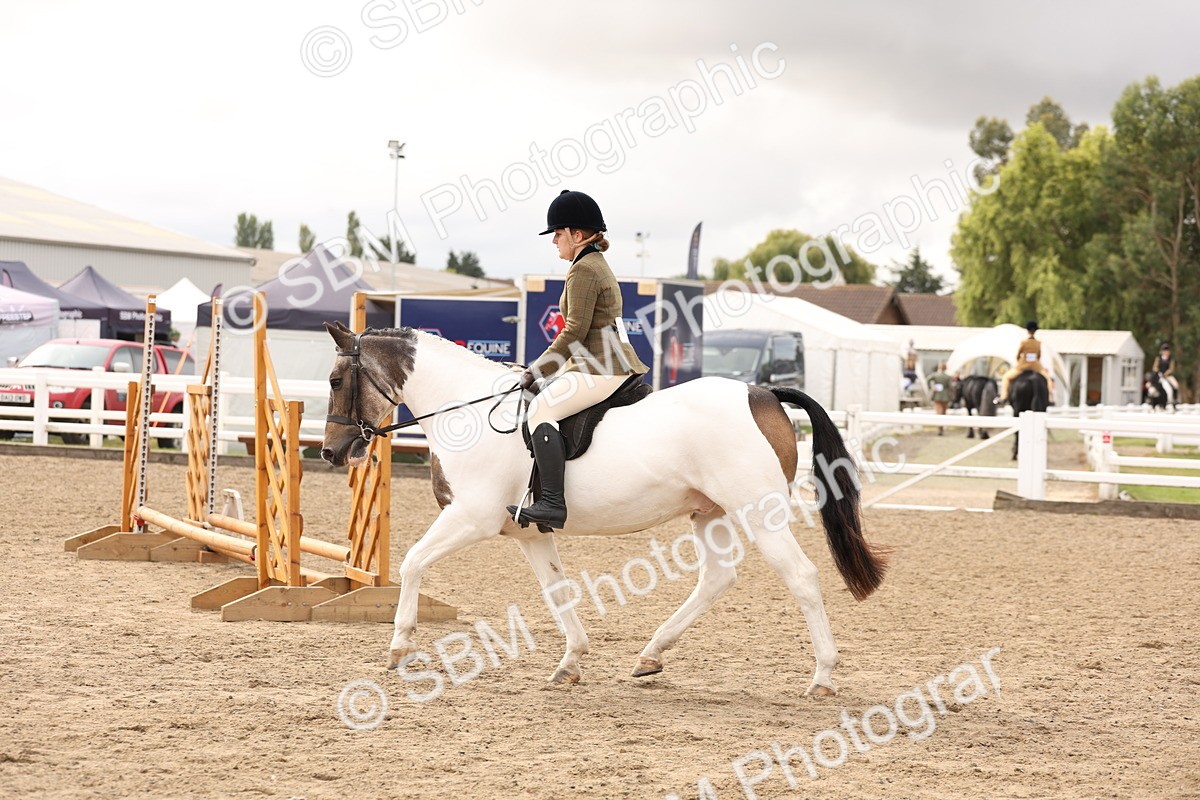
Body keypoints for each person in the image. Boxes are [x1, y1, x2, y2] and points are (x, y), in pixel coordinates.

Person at [507, 190, 649, 530]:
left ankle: (553, 502)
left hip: (602, 365)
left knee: (541, 410)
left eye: (558, 233)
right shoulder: (590, 264)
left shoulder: (584, 269)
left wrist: (535, 370)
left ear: (578, 235)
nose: (554, 240)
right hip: (602, 361)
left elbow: (573, 331)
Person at [996, 320, 1053, 404]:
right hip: (1035, 366)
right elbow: (1038, 356)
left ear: (1028, 331)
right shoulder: (1038, 343)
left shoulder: (1024, 342)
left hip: (1023, 365)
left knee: (1006, 377)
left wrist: (1019, 361)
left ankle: (1004, 397)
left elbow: (1018, 355)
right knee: (1048, 379)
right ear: (1035, 331)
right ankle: (1049, 398)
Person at [926, 362, 953, 435]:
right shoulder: (947, 376)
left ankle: (939, 428)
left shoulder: (935, 375)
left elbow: (928, 379)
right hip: (945, 395)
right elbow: (950, 386)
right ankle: (941, 427)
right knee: (943, 412)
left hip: (937, 394)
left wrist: (931, 387)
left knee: (938, 411)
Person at [1153, 342, 1179, 408]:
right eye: (1164, 351)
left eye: (1167, 351)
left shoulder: (1171, 359)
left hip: (1168, 375)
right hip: (1160, 375)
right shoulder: (1158, 359)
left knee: (1176, 385)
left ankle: (1175, 400)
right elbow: (1155, 367)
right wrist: (1158, 371)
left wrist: (1166, 373)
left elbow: (1171, 368)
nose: (1166, 352)